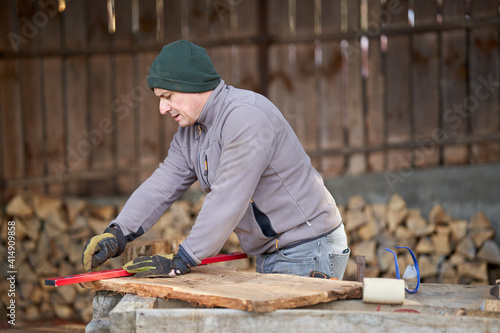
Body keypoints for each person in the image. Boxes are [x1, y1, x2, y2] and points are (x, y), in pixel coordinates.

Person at [82, 40, 350, 279]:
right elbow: (161, 184)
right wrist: (118, 232)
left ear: (191, 85)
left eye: (167, 97)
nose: (163, 108)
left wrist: (183, 259)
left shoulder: (245, 116)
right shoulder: (191, 132)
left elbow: (228, 196)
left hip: (308, 248)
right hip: (275, 251)